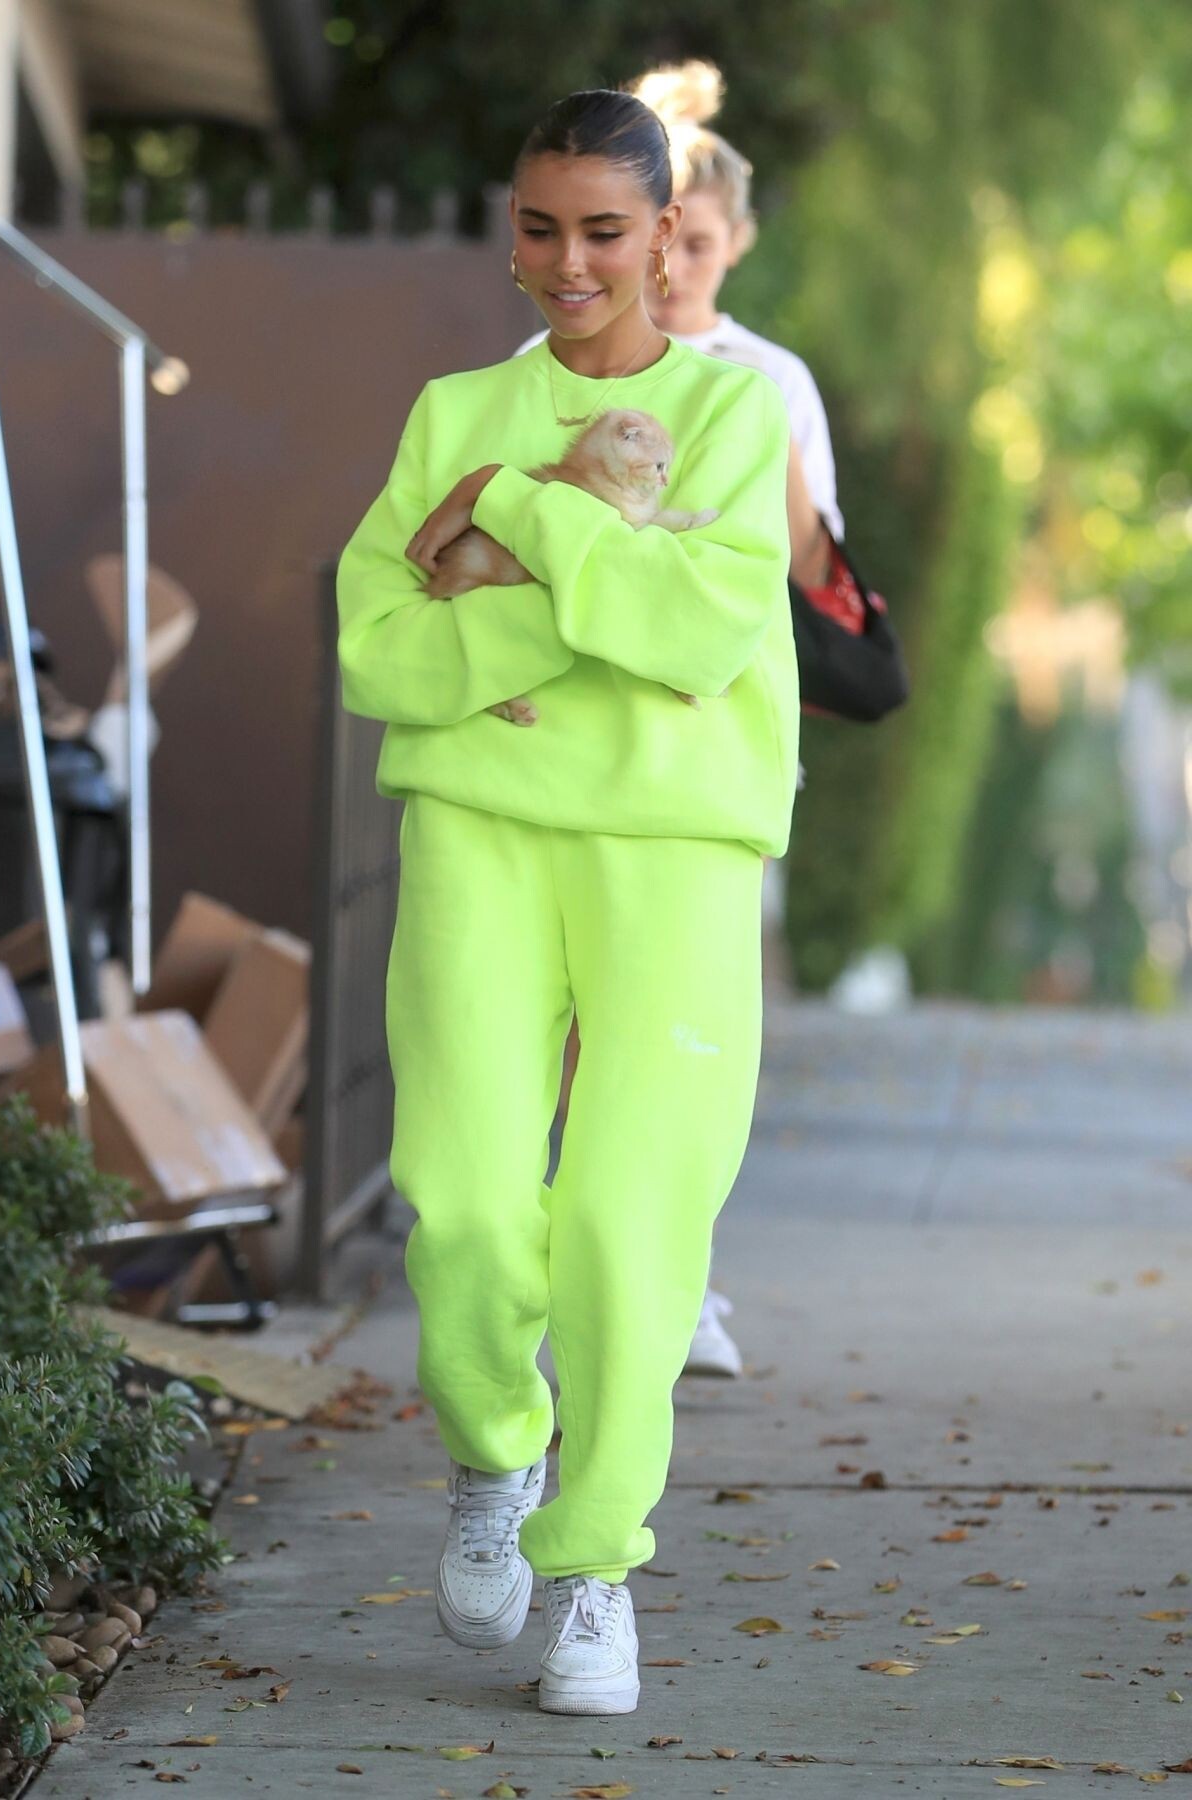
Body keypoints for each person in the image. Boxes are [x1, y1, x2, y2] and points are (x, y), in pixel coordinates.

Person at [335, 87, 797, 1717]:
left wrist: (523, 516)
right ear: (514, 235)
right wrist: (595, 587)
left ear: (671, 235)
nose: (572, 261)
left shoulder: (735, 414)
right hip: (480, 829)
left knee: (626, 1218)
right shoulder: (454, 409)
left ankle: (596, 1566)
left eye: (607, 229)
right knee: (462, 1197)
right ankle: (495, 1458)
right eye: (542, 228)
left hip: (675, 853)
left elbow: (703, 634)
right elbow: (378, 651)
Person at [516, 61, 845, 1380]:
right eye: (664, 241)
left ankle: (675, 1275)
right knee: (576, 1024)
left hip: (708, 753)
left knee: (682, 1029)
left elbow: (811, 571)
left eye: (698, 244)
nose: (674, 267)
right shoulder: (552, 367)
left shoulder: (768, 383)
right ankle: (574, 1268)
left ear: (727, 241)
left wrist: (758, 471)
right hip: (577, 743)